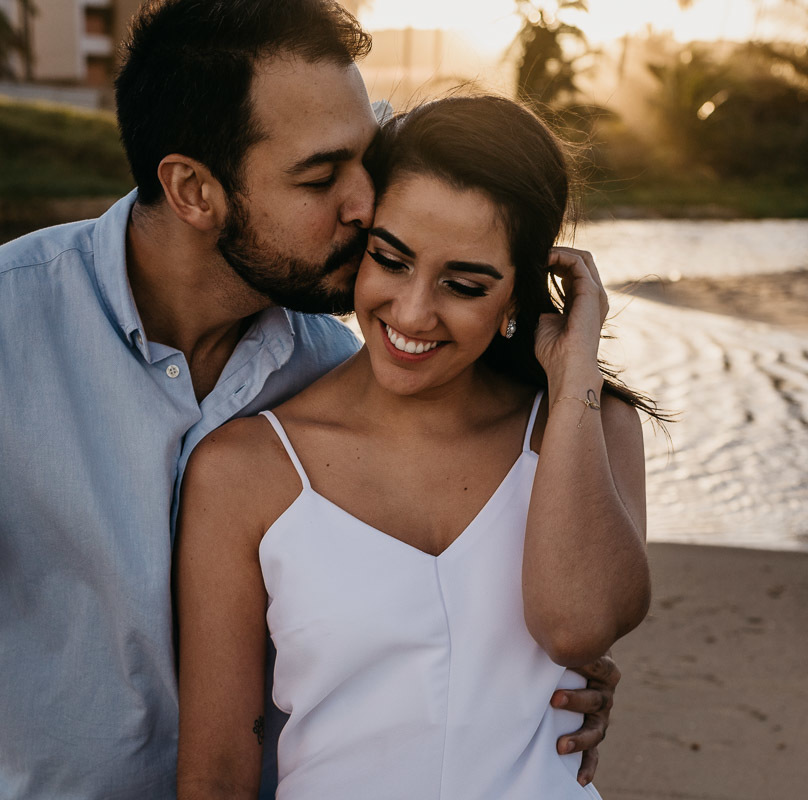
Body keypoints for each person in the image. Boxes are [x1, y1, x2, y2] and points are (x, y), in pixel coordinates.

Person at [0, 2, 617, 797]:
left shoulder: (346, 366)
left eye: (370, 158)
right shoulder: (12, 330)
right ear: (193, 190)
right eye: (322, 177)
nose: (367, 203)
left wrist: (532, 692)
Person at [174, 94, 656, 799]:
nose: (412, 312)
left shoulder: (590, 426)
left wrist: (577, 370)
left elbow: (576, 627)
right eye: (391, 260)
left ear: (519, 295)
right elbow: (216, 775)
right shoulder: (244, 471)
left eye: (464, 284)